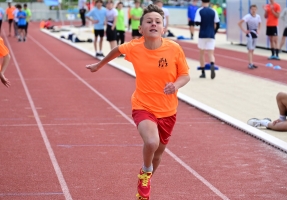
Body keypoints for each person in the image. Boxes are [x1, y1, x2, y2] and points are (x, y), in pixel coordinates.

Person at [86, 4, 190, 199]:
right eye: (149, 21)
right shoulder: (134, 47)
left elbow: (185, 75)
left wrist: (175, 85)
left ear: (163, 28)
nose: (154, 24)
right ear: (140, 28)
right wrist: (99, 65)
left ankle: (146, 176)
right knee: (151, 142)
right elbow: (117, 50)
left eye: (158, 22)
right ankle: (145, 169)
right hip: (143, 105)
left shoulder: (174, 48)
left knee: (158, 154)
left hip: (168, 110)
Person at [194, 0, 219, 79]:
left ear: (202, 2)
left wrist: (203, 22)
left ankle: (203, 72)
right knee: (211, 53)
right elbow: (217, 24)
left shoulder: (199, 10)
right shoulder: (213, 11)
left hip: (202, 34)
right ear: (209, 2)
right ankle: (212, 64)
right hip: (211, 34)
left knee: (202, 53)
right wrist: (214, 32)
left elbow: (197, 22)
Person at [238, 4, 261, 69]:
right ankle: (250, 64)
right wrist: (244, 30)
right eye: (252, 9)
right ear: (250, 10)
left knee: (253, 50)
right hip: (249, 34)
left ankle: (251, 63)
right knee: (250, 49)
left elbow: (260, 23)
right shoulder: (247, 16)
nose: (253, 11)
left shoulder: (258, 16)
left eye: (255, 9)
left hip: (255, 34)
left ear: (256, 10)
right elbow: (239, 23)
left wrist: (259, 30)